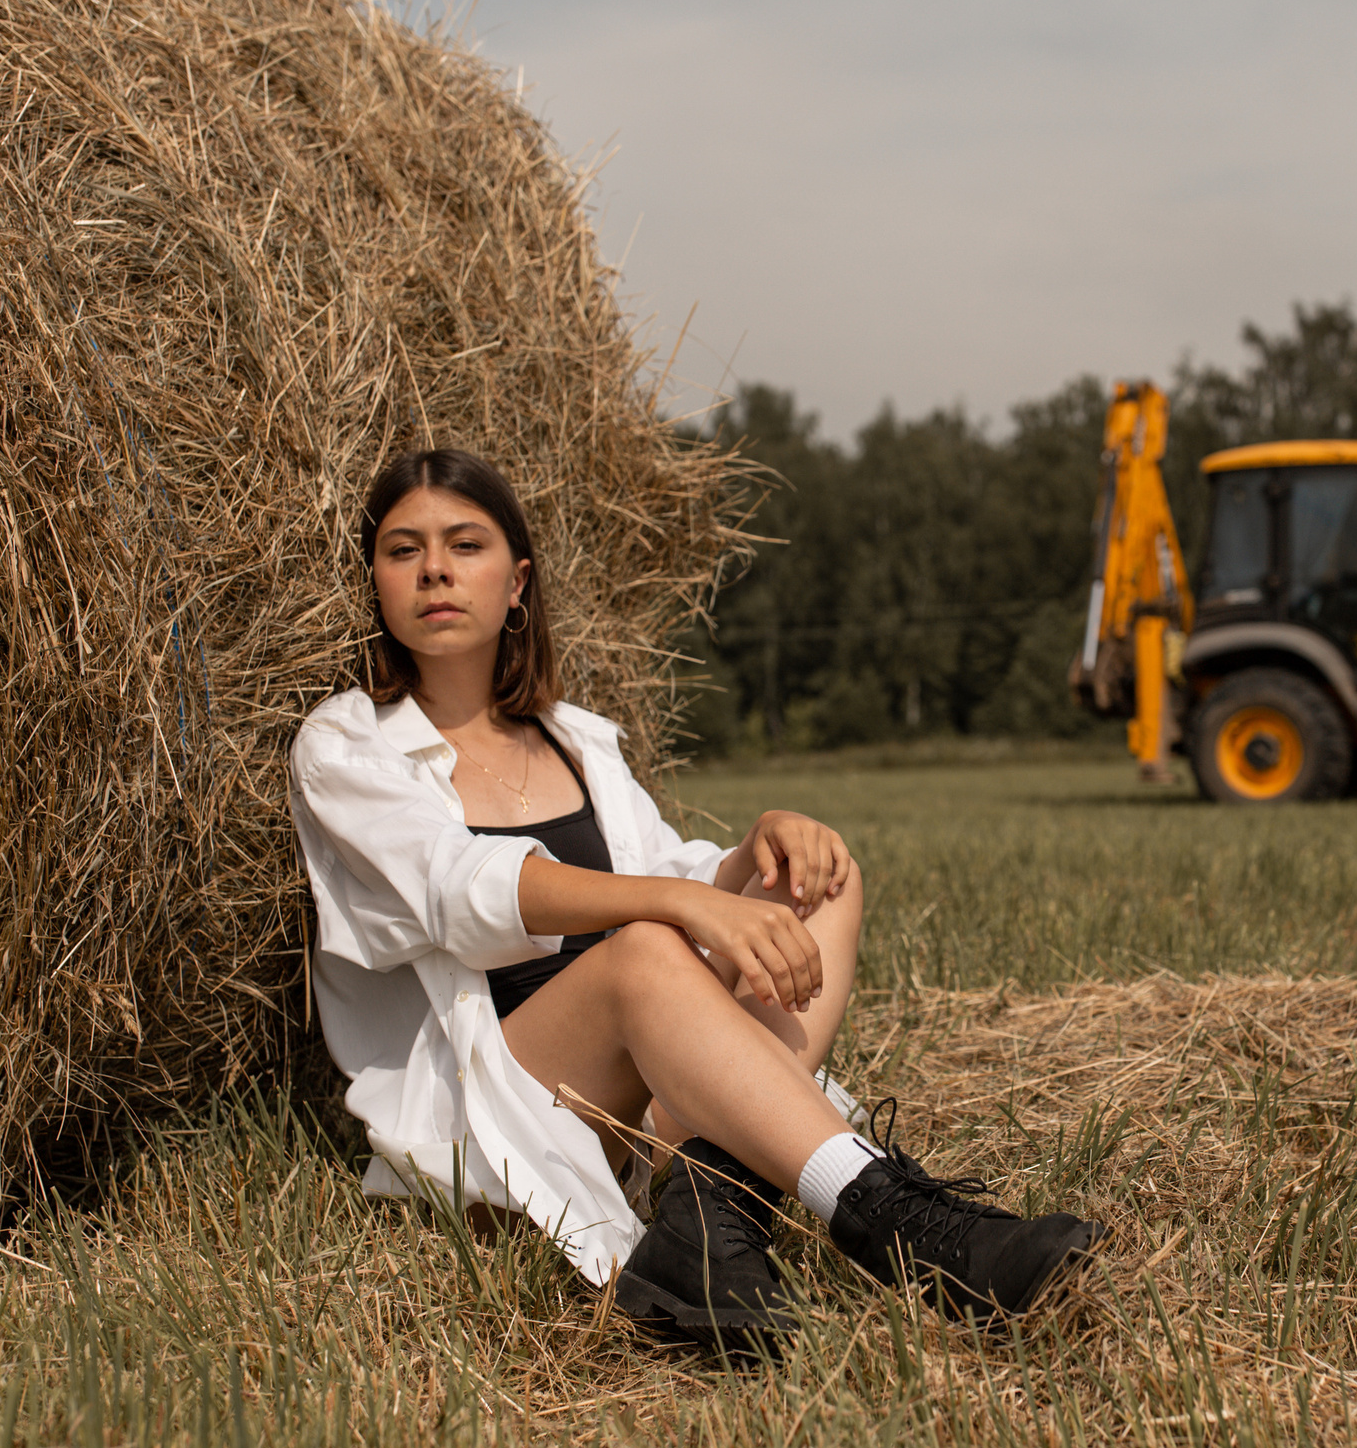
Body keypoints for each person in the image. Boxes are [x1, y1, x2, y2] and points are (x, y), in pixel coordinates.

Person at [289, 448, 1098, 1354]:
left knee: (817, 878)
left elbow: (672, 865)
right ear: (378, 580)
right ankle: (891, 1217)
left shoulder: (574, 741)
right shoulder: (347, 747)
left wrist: (753, 854)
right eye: (404, 550)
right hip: (502, 1114)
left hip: (644, 1098)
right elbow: (458, 890)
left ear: (517, 583)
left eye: (464, 543)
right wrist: (682, 903)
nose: (434, 567)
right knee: (642, 948)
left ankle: (706, 1210)